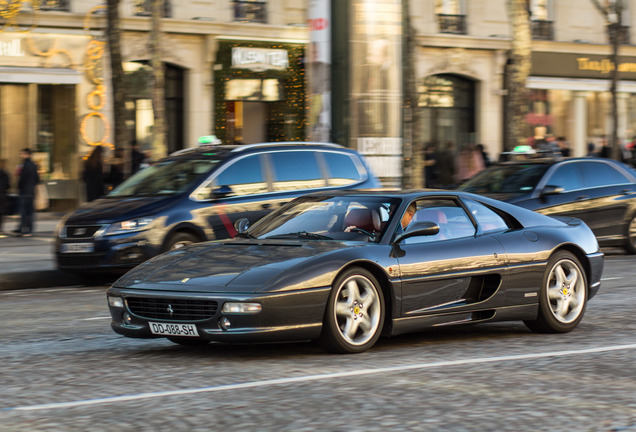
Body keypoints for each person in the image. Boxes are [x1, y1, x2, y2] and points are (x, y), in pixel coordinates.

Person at [13, 148, 39, 237]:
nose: (21, 156)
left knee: (23, 212)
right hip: (31, 191)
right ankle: (29, 230)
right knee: (30, 212)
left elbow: (22, 179)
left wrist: (19, 188)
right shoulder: (34, 165)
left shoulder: (24, 165)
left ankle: (22, 229)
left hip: (24, 191)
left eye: (22, 154)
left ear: (27, 155)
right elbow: (37, 179)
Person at [0, 158, 10, 237]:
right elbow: (7, 185)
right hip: (2, 195)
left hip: (2, 196)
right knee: (1, 214)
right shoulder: (5, 173)